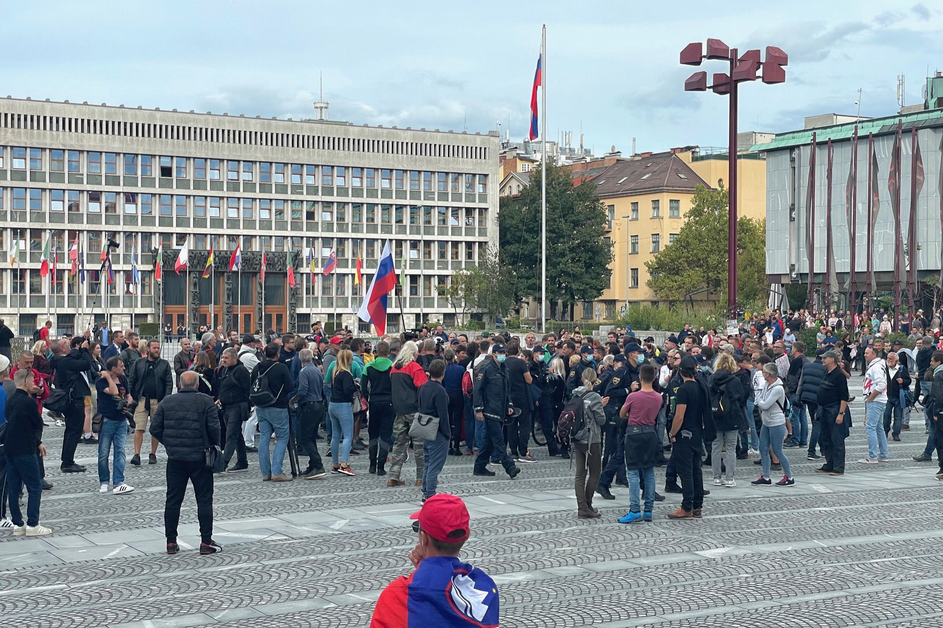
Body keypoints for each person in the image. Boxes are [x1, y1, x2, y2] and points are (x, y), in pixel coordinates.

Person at [369, 494, 499, 628]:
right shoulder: (485, 587)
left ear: (423, 538)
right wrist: (427, 570)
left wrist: (426, 571)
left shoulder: (397, 595)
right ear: (467, 534)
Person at [150, 371, 221, 555]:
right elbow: (215, 428)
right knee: (204, 500)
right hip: (200, 458)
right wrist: (212, 444)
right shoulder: (206, 401)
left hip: (175, 459)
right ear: (197, 385)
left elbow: (154, 428)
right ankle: (206, 541)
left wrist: (169, 444)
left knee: (173, 500)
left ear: (179, 385)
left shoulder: (167, 402)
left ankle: (171, 542)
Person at [4, 368, 52, 536]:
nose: (34, 384)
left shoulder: (10, 401)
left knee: (14, 487)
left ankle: (18, 524)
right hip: (25, 448)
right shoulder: (29, 402)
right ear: (26, 382)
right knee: (34, 486)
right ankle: (33, 524)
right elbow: (36, 424)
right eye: (32, 381)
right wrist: (37, 441)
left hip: (10, 448)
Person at [666, 356, 715, 519]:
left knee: (685, 472)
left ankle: (687, 507)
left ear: (680, 372)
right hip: (697, 433)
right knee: (696, 471)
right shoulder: (701, 387)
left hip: (684, 435)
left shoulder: (684, 390)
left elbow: (679, 416)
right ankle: (697, 505)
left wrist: (672, 433)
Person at [618, 363, 662, 523]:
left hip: (634, 433)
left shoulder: (633, 396)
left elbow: (622, 414)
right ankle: (648, 510)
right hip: (651, 433)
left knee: (633, 472)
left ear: (640, 377)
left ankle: (635, 509)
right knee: (649, 472)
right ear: (655, 378)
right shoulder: (659, 397)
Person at [472, 343, 521, 480]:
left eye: (504, 352)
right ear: (494, 354)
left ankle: (480, 466)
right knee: (499, 441)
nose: (502, 355)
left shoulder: (505, 369)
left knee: (490, 441)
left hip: (501, 410)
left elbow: (506, 390)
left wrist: (509, 404)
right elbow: (478, 390)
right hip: (489, 411)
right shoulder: (486, 369)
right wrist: (479, 409)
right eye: (500, 352)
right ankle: (510, 467)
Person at [251, 343, 295, 482]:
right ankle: (277, 471)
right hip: (278, 406)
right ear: (278, 354)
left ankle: (266, 473)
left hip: (261, 406)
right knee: (282, 437)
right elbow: (289, 387)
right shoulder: (281, 368)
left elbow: (252, 384)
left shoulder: (257, 368)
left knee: (264, 438)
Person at [388, 342, 428, 487]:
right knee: (419, 445)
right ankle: (421, 477)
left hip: (399, 411)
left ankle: (393, 476)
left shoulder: (393, 368)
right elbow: (423, 389)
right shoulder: (415, 367)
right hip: (415, 410)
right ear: (413, 353)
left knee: (399, 444)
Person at [128, 340, 173, 466]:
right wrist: (131, 396)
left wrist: (166, 399)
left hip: (158, 400)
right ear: (148, 349)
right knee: (139, 427)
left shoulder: (164, 364)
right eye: (154, 348)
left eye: (158, 348)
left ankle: (153, 453)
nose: (157, 350)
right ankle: (136, 454)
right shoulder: (139, 363)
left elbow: (169, 383)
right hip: (142, 399)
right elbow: (132, 380)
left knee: (156, 428)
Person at [55, 336, 96, 473]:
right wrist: (84, 350)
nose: (69, 346)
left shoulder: (64, 360)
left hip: (72, 399)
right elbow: (85, 364)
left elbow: (76, 356)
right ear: (63, 348)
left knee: (70, 431)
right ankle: (67, 462)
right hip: (74, 400)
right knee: (74, 431)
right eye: (67, 344)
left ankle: (67, 460)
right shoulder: (66, 361)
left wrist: (83, 342)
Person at [95, 356, 135, 494]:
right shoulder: (101, 381)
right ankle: (104, 481)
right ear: (113, 368)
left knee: (120, 451)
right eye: (121, 366)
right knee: (103, 453)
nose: (123, 368)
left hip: (121, 420)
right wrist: (107, 377)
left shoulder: (123, 379)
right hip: (107, 419)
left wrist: (128, 404)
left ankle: (118, 481)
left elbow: (129, 395)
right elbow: (114, 392)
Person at [571, 368, 607, 519]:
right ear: (595, 379)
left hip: (577, 437)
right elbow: (601, 420)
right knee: (594, 472)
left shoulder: (575, 393)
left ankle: (581, 507)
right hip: (592, 439)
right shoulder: (594, 396)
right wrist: (602, 406)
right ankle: (587, 504)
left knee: (580, 473)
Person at [752, 363, 796, 487]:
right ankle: (765, 476)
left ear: (768, 374)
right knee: (763, 448)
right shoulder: (766, 384)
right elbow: (762, 401)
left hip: (776, 423)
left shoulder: (778, 388)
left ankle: (789, 477)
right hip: (766, 422)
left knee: (777, 450)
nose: (762, 374)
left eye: (764, 372)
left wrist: (759, 400)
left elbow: (765, 404)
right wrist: (761, 400)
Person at [709, 353, 745, 488]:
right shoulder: (735, 380)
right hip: (732, 417)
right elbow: (741, 398)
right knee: (731, 448)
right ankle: (730, 478)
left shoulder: (712, 379)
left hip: (715, 416)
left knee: (716, 447)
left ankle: (716, 477)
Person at [814, 350, 851, 476]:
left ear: (832, 359)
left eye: (826, 358)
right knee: (826, 438)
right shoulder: (827, 372)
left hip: (834, 410)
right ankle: (829, 463)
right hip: (824, 409)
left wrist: (841, 413)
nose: (823, 360)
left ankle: (839, 467)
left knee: (837, 439)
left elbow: (844, 396)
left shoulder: (839, 375)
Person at [419, 359, 451, 501]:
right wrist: (447, 433)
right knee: (435, 464)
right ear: (443, 373)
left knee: (427, 461)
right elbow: (443, 414)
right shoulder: (440, 391)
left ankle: (425, 490)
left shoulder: (423, 387)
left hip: (424, 428)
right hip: (437, 430)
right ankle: (430, 494)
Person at [291, 349, 326, 479]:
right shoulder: (317, 370)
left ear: (300, 360)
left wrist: (293, 399)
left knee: (304, 437)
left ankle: (317, 464)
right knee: (311, 436)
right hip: (318, 405)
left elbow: (302, 389)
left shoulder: (304, 371)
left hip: (309, 406)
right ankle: (312, 464)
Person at [216, 348, 251, 473]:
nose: (223, 360)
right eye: (223, 357)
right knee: (236, 435)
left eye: (226, 358)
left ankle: (223, 463)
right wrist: (220, 398)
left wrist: (248, 407)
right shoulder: (224, 370)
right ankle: (242, 462)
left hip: (237, 406)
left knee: (231, 435)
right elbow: (223, 387)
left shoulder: (241, 371)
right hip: (226, 407)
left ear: (234, 358)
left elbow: (248, 389)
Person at [365, 341, 394, 476]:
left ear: (376, 351)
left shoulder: (369, 366)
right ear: (388, 352)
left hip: (374, 401)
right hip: (389, 401)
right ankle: (381, 466)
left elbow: (363, 387)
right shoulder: (393, 367)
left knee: (373, 432)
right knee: (386, 434)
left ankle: (372, 464)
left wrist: (366, 397)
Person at [327, 349, 358, 476]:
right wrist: (356, 386)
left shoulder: (336, 372)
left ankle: (335, 464)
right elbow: (348, 390)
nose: (353, 360)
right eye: (351, 358)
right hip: (343, 405)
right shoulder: (346, 374)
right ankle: (344, 464)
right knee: (348, 435)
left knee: (335, 435)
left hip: (333, 405)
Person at [503, 341, 534, 463]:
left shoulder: (503, 363)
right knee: (525, 424)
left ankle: (513, 451)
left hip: (508, 397)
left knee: (511, 425)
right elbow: (529, 380)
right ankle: (523, 450)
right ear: (518, 350)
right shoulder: (521, 363)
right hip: (521, 396)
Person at [860, 345, 889, 464]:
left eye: (867, 353)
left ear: (874, 355)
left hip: (876, 400)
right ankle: (883, 454)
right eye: (865, 353)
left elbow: (881, 384)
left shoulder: (876, 367)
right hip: (879, 400)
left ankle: (872, 456)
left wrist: (871, 397)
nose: (865, 355)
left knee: (870, 427)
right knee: (879, 427)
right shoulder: (878, 366)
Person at [883, 352, 910, 442]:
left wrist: (903, 381)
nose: (889, 360)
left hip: (899, 397)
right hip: (887, 397)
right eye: (888, 358)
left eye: (891, 359)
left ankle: (896, 433)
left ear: (896, 361)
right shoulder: (884, 369)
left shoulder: (902, 369)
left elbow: (909, 380)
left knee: (898, 417)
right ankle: (885, 431)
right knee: (886, 415)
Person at [927, 351, 943, 480]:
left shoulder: (938, 375)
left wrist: (936, 412)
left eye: (933, 360)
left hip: (941, 413)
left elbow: (938, 395)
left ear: (938, 362)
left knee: (940, 440)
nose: (931, 363)